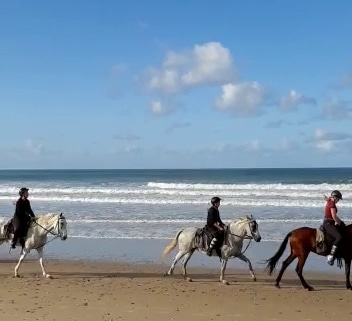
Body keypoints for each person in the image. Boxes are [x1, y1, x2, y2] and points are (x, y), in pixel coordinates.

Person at [323, 190, 344, 266]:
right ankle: (331, 256)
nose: (338, 200)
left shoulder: (330, 201)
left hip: (329, 222)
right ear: (335, 197)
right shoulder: (332, 204)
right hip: (328, 224)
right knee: (339, 237)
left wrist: (339, 222)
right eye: (338, 199)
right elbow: (334, 216)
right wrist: (341, 223)